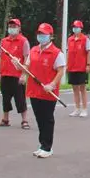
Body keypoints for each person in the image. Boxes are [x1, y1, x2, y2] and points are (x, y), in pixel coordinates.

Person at [24, 23, 65, 158]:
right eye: (39, 34)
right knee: (39, 119)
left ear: (50, 36)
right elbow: (27, 67)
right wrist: (18, 66)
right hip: (34, 90)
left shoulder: (56, 53)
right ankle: (42, 145)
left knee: (47, 119)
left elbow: (61, 71)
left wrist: (52, 84)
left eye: (44, 34)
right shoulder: (34, 50)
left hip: (48, 92)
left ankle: (47, 147)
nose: (41, 36)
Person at [0, 18, 31, 129]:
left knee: (20, 99)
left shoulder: (23, 41)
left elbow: (27, 58)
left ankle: (24, 120)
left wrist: (24, 74)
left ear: (19, 28)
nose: (12, 29)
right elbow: (0, 58)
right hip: (5, 74)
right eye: (10, 27)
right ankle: (5, 119)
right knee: (5, 98)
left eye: (14, 27)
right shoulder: (4, 41)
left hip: (17, 76)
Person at [67, 20, 90, 118]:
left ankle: (84, 109)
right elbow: (68, 52)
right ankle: (77, 108)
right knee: (74, 88)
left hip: (81, 67)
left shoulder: (85, 39)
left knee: (82, 88)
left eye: (77, 27)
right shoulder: (70, 39)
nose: (75, 29)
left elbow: (88, 52)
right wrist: (67, 65)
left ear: (81, 28)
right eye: (74, 27)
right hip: (72, 67)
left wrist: (88, 64)